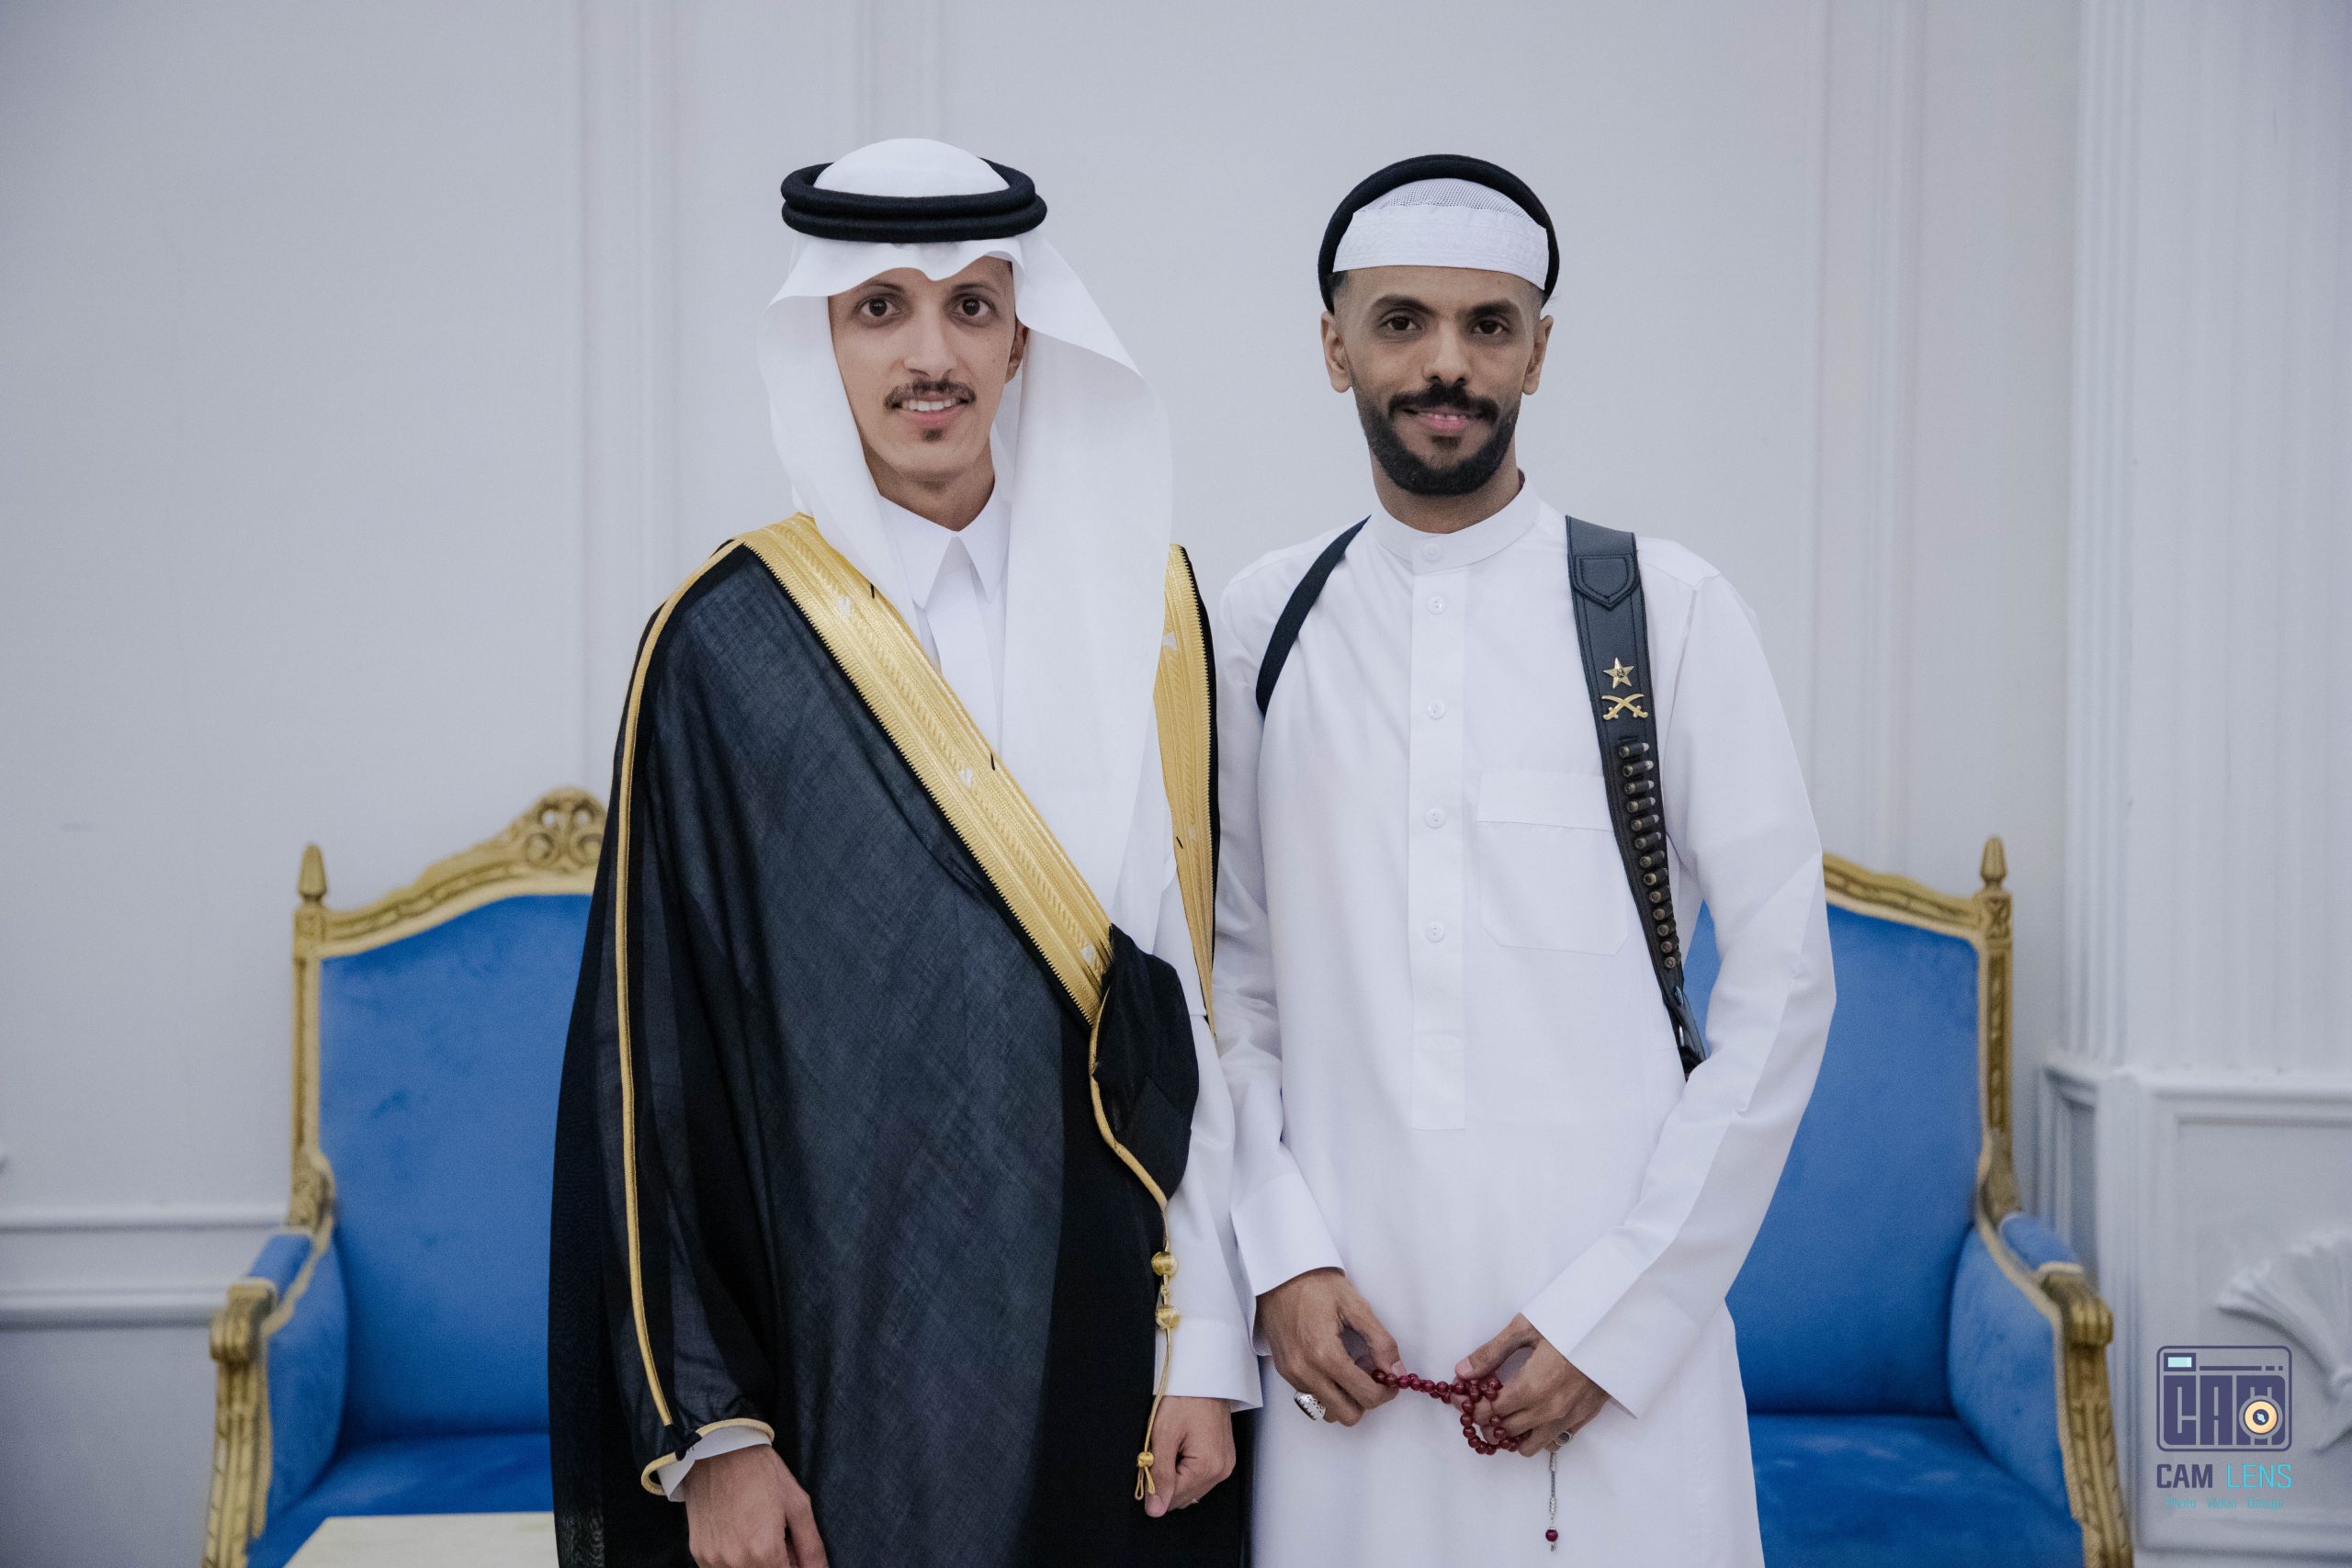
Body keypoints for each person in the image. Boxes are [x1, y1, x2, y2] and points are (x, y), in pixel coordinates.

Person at [548, 138, 1256, 1568]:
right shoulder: (725, 648)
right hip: (842, 1350)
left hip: (1120, 1336)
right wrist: (719, 1435)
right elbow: (654, 1068)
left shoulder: (1152, 612)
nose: (930, 355)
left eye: (971, 306)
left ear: (1022, 338)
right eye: (880, 308)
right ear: (822, 339)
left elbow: (1193, 1004)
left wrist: (1208, 1346)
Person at [1212, 153, 1836, 1564]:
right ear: (1334, 347)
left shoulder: (1663, 608)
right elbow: (1231, 980)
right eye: (1402, 322)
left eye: (1488, 325)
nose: (1447, 363)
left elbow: (1785, 987)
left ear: (1538, 352)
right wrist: (1282, 1258)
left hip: (1622, 1354)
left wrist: (1625, 1313)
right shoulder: (1265, 620)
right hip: (1346, 1356)